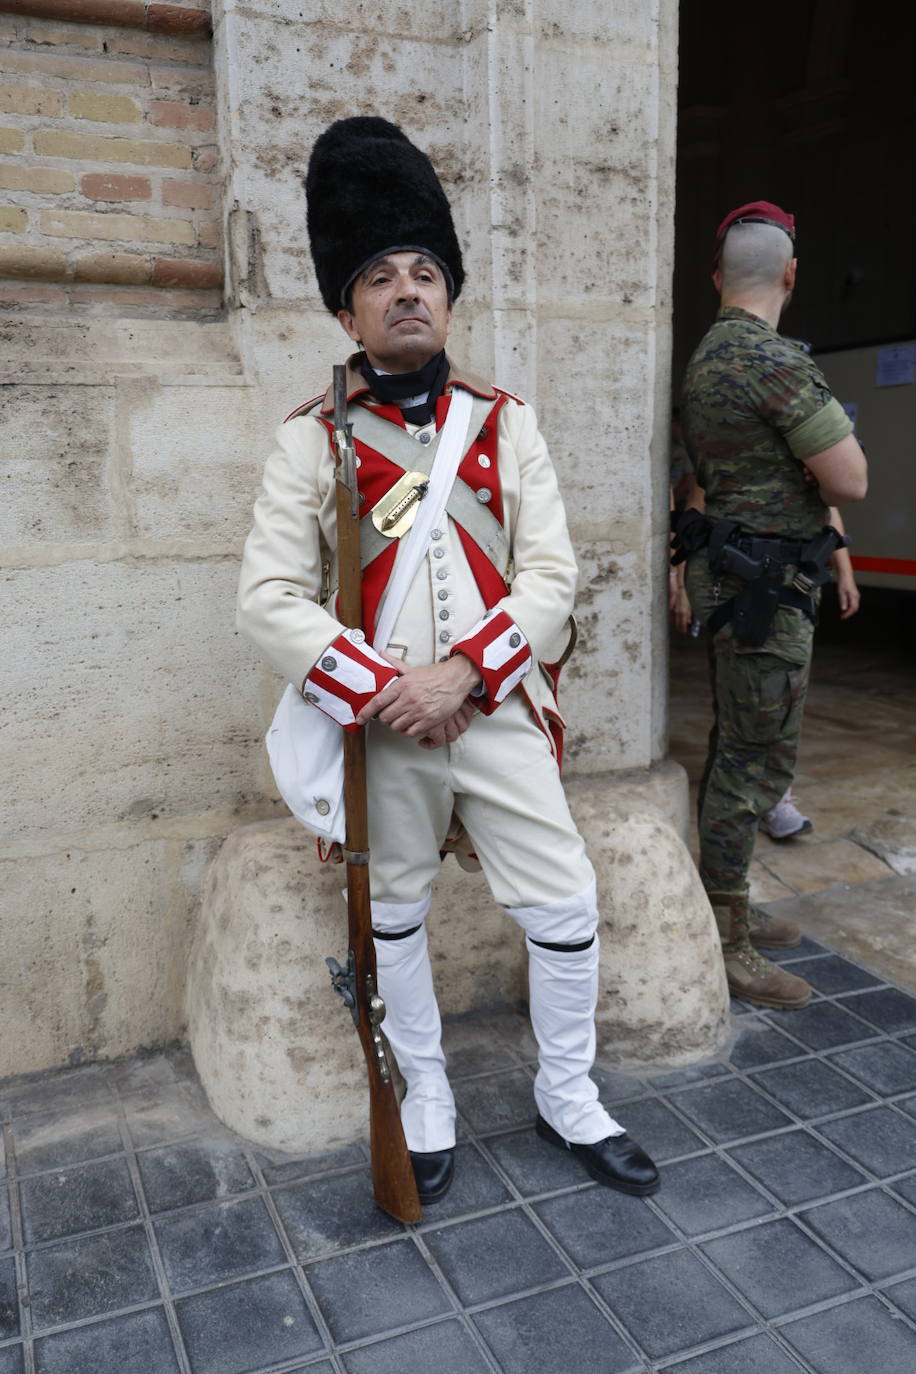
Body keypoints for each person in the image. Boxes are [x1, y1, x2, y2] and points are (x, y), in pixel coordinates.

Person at [237, 117, 658, 1204]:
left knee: (563, 902)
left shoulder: (505, 426)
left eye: (426, 271)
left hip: (495, 707)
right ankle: (425, 1099)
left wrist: (463, 675)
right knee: (394, 915)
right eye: (379, 276)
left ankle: (570, 1097)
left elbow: (554, 580)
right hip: (382, 729)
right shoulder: (307, 438)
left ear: (452, 297)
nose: (407, 290)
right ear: (347, 309)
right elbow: (268, 601)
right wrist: (384, 691)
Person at [675, 200, 867, 1009]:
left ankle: (728, 903)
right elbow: (850, 478)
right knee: (754, 764)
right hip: (769, 593)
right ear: (790, 274)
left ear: (720, 277)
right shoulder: (774, 361)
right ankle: (727, 941)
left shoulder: (709, 358)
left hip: (741, 584)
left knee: (738, 750)